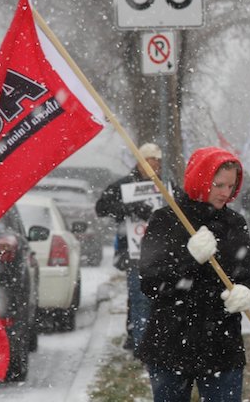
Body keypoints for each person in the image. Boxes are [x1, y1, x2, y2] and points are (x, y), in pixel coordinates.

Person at [138, 146, 250, 402]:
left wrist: (246, 292)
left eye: (231, 186)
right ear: (200, 179)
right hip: (170, 341)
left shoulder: (235, 223)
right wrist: (188, 260)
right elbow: (149, 282)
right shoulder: (165, 220)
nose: (226, 193)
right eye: (219, 185)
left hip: (222, 344)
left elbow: (247, 275)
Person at [95, 142, 162, 355]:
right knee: (140, 297)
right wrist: (130, 208)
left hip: (159, 254)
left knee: (151, 299)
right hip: (134, 253)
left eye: (156, 164)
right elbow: (101, 208)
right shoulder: (124, 186)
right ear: (139, 163)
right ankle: (142, 346)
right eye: (148, 164)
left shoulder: (164, 187)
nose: (153, 169)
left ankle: (140, 339)